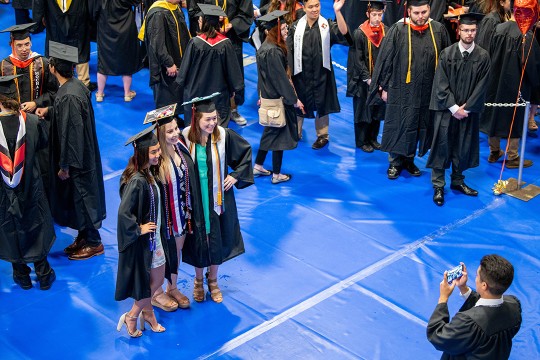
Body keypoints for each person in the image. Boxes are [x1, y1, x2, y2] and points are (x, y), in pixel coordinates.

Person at [35, 42, 107, 261]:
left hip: (78, 162)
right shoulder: (75, 87)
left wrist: (65, 166)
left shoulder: (68, 96)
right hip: (83, 157)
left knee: (83, 199)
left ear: (52, 68)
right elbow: (65, 114)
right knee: (79, 200)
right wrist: (49, 111)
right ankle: (84, 235)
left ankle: (94, 242)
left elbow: (71, 135)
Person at [181, 94, 254, 303]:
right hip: (195, 200)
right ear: (197, 120)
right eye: (208, 119)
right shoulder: (184, 138)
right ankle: (197, 280)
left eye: (215, 118)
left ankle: (212, 280)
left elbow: (245, 154)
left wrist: (235, 175)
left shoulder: (224, 135)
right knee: (198, 240)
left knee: (217, 238)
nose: (213, 123)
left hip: (218, 198)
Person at [368, 0, 450, 179]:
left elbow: (446, 61)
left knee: (418, 123)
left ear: (429, 9)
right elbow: (385, 60)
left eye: (424, 12)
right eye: (416, 13)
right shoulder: (398, 30)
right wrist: (384, 86)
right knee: (399, 122)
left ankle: (409, 160)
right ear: (409, 12)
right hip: (400, 88)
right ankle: (395, 162)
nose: (420, 17)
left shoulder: (437, 29)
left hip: (427, 90)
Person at [427, 13, 491, 206]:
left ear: (476, 31)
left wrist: (468, 109)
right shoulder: (447, 54)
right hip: (447, 111)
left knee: (462, 147)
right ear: (458, 31)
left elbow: (483, 86)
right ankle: (438, 185)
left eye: (472, 30)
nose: (469, 33)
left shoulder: (483, 56)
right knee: (442, 146)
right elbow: (440, 84)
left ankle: (457, 180)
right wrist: (454, 107)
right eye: (465, 30)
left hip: (467, 114)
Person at [0, 75, 56, 291]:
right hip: (31, 185)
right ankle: (43, 275)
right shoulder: (31, 122)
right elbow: (43, 143)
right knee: (36, 227)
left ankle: (21, 276)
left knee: (11, 227)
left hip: (5, 191)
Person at [116, 126, 169, 337]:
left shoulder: (145, 172)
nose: (158, 154)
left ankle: (149, 315)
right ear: (142, 154)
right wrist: (138, 228)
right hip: (147, 240)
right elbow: (123, 213)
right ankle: (133, 315)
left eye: (158, 150)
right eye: (154, 152)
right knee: (156, 282)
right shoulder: (138, 180)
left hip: (153, 238)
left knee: (152, 281)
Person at [427, 255, 522, 359]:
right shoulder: (514, 306)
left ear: (484, 285)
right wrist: (463, 288)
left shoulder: (469, 323)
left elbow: (438, 336)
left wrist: (443, 298)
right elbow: (489, 306)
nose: (475, 278)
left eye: (477, 276)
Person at [480, 4, 540, 168]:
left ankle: (494, 151)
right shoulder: (525, 35)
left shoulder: (498, 29)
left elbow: (489, 53)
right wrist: (536, 86)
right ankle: (512, 156)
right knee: (515, 118)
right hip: (516, 85)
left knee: (494, 113)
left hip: (494, 82)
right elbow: (532, 65)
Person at [287, 0, 351, 150]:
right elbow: (288, 50)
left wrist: (338, 12)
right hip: (301, 74)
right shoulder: (295, 27)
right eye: (311, 7)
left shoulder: (326, 25)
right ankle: (296, 132)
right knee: (299, 104)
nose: (315, 9)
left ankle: (322, 135)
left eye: (317, 6)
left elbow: (344, 34)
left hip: (322, 74)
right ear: (303, 7)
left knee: (323, 104)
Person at [148, 106, 194, 311]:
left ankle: (172, 287)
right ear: (159, 134)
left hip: (182, 214)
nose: (175, 134)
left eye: (176, 129)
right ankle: (155, 293)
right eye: (170, 131)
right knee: (160, 257)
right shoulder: (155, 161)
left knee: (176, 252)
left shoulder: (180, 147)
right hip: (163, 219)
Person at [254, 11, 303, 184]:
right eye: (282, 28)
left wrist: (260, 93)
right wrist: (294, 100)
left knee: (269, 132)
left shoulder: (264, 48)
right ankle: (276, 175)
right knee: (279, 136)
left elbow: (261, 76)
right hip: (278, 100)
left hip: (267, 97)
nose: (285, 30)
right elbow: (280, 79)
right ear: (273, 30)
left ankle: (258, 165)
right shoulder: (274, 51)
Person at [177, 4, 244, 128]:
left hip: (196, 96)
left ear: (205, 23)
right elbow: (233, 72)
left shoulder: (195, 43)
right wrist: (234, 89)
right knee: (216, 130)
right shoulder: (225, 44)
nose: (198, 22)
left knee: (196, 130)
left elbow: (183, 72)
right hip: (219, 96)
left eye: (200, 20)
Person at [346, 0, 388, 152]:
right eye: (374, 14)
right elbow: (357, 60)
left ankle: (373, 138)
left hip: (380, 82)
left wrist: (383, 81)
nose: (377, 18)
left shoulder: (387, 32)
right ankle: (362, 141)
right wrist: (369, 79)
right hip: (364, 82)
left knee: (377, 110)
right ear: (367, 14)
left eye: (379, 14)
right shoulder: (360, 33)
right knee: (363, 111)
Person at [139, 0, 190, 122]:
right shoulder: (158, 13)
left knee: (175, 95)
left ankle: (174, 119)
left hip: (177, 59)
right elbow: (157, 44)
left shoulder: (174, 7)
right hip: (165, 66)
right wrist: (168, 62)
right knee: (165, 97)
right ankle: (165, 125)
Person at [33, 0, 96, 91]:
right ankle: (84, 82)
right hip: (78, 16)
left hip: (54, 15)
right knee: (80, 47)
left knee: (56, 42)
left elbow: (38, 4)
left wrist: (37, 23)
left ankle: (57, 81)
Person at [0, 23, 58, 114]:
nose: (24, 49)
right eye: (19, 45)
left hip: (38, 114)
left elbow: (54, 92)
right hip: (13, 117)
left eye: (27, 44)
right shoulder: (3, 66)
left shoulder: (43, 63)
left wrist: (36, 103)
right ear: (12, 45)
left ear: (31, 43)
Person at [95, 0, 142, 103]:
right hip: (125, 28)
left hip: (105, 28)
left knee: (103, 61)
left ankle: (99, 93)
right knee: (127, 61)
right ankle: (127, 94)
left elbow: (93, 10)